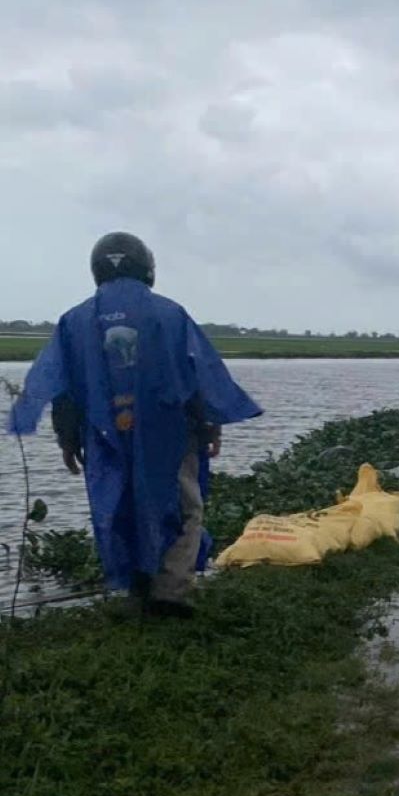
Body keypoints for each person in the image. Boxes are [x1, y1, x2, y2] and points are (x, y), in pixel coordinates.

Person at [8, 232, 262, 618]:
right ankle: (170, 591)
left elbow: (61, 387)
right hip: (169, 436)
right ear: (147, 267)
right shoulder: (169, 314)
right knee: (183, 508)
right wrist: (211, 425)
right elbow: (196, 377)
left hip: (105, 437)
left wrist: (67, 439)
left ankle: (135, 587)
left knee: (118, 505)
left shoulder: (74, 321)